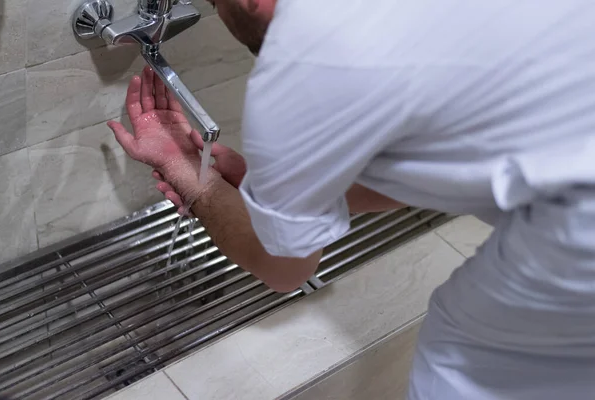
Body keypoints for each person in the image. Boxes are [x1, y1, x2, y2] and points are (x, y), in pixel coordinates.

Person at [107, 0, 595, 398]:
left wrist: (196, 181)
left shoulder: (304, 60)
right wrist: (283, 183)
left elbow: (285, 267)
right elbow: (456, 147)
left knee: (458, 370)